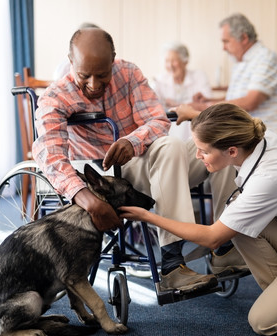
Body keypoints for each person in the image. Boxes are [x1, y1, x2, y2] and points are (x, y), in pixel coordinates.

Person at [120, 103, 277, 336]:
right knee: (239, 224)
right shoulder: (256, 137)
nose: (197, 156)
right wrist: (196, 114)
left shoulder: (269, 179)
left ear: (231, 151)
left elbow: (212, 237)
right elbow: (229, 125)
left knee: (264, 322)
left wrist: (148, 216)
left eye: (203, 151)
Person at [32, 28, 238, 293]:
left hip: (154, 160)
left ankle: (225, 246)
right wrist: (89, 200)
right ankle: (173, 266)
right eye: (85, 75)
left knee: (222, 146)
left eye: (102, 75)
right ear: (70, 62)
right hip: (112, 179)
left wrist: (133, 141)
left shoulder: (128, 73)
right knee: (170, 147)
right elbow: (50, 157)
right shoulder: (55, 97)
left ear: (113, 60)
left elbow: (158, 119)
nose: (94, 84)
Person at [187, 13, 277, 136]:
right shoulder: (243, 62)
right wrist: (209, 100)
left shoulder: (265, 58)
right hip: (246, 132)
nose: (223, 48)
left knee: (194, 143)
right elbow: (236, 100)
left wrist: (203, 106)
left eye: (226, 41)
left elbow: (249, 102)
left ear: (244, 38)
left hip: (263, 134)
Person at [151, 41, 212, 141]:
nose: (170, 65)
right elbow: (153, 106)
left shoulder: (199, 76)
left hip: (196, 131)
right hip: (169, 133)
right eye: (167, 61)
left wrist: (175, 104)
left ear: (185, 61)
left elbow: (208, 106)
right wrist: (191, 105)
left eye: (174, 61)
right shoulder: (159, 80)